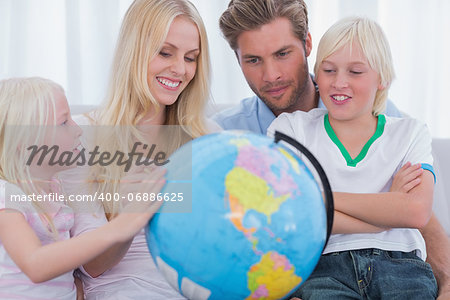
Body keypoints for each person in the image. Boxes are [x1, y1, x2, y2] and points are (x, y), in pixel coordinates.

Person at [215, 0, 450, 298]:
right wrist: (383, 213)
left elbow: (420, 215)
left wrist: (447, 283)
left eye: (283, 54)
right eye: (253, 60)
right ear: (236, 60)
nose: (271, 74)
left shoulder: (383, 116)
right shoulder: (222, 136)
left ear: (307, 44)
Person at [58, 0, 219, 299]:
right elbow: (92, 266)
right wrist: (131, 217)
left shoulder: (209, 137)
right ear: (134, 51)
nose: (181, 69)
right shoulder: (79, 137)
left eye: (191, 57)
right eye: (165, 52)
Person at [268, 16, 437, 299]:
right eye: (329, 70)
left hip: (402, 267)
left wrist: (318, 194)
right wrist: (387, 211)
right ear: (317, 75)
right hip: (323, 268)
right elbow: (291, 213)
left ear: (382, 78)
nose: (339, 83)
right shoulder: (290, 130)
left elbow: (416, 211)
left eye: (355, 72)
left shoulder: (410, 132)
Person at [0, 77, 165, 299]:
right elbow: (35, 264)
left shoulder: (55, 190)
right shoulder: (7, 196)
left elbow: (63, 264)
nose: (78, 130)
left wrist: (74, 286)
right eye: (63, 122)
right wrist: (120, 226)